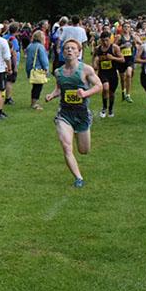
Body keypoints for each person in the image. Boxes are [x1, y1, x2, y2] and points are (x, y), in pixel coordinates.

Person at [44, 39, 102, 187]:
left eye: (73, 48)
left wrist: (86, 93)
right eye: (67, 48)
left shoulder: (86, 69)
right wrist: (52, 95)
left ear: (78, 52)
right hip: (64, 114)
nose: (69, 50)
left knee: (84, 150)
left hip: (82, 114)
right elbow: (59, 88)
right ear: (63, 53)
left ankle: (78, 132)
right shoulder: (58, 72)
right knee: (66, 146)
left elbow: (99, 85)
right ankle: (78, 178)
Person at [92, 31, 123, 118]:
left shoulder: (114, 48)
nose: (105, 43)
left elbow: (122, 59)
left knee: (111, 93)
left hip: (113, 72)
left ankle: (110, 109)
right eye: (103, 41)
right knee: (105, 88)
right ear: (100, 41)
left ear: (110, 39)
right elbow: (94, 59)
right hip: (103, 73)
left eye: (106, 40)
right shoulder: (98, 49)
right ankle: (104, 108)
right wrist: (95, 64)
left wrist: (113, 58)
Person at [24, 30, 50, 110]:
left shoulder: (30, 46)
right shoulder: (40, 47)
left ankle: (33, 102)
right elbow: (44, 60)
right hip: (38, 69)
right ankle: (34, 103)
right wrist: (46, 69)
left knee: (35, 87)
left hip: (32, 69)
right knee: (38, 87)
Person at [117, 28, 136, 101]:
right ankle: (123, 92)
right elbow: (114, 47)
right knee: (122, 78)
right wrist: (123, 46)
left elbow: (134, 46)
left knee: (128, 74)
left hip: (129, 59)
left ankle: (128, 95)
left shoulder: (132, 37)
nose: (126, 28)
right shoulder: (119, 37)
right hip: (122, 59)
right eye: (125, 27)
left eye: (128, 27)